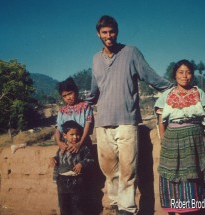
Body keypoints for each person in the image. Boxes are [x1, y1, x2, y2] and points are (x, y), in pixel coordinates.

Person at [86, 15, 174, 215]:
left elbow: (150, 75)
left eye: (112, 31)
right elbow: (93, 92)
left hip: (127, 121)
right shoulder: (95, 59)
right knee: (109, 172)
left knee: (128, 171)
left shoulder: (131, 52)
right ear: (98, 34)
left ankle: (127, 210)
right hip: (103, 124)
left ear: (117, 32)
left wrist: (174, 90)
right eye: (104, 32)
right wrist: (77, 108)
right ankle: (117, 207)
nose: (109, 36)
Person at [154, 59, 205, 215]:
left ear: (192, 75)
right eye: (181, 72)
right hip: (171, 142)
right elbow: (161, 122)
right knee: (173, 177)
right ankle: (177, 209)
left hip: (194, 141)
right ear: (175, 75)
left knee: (192, 178)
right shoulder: (167, 95)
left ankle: (192, 209)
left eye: (188, 72)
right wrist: (163, 141)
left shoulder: (199, 93)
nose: (185, 76)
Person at [53, 77, 94, 182]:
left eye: (70, 93)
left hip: (83, 144)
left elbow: (87, 126)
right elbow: (58, 129)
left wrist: (80, 143)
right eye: (64, 96)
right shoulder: (62, 111)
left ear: (76, 91)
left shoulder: (85, 107)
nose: (68, 98)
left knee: (83, 177)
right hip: (67, 147)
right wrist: (59, 142)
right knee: (66, 174)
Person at [53, 120, 94, 215]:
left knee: (78, 206)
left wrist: (81, 164)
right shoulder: (62, 148)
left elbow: (90, 159)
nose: (75, 137)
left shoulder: (83, 148)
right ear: (64, 135)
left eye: (78, 134)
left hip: (77, 180)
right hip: (62, 181)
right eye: (72, 134)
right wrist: (53, 159)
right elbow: (58, 159)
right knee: (64, 206)